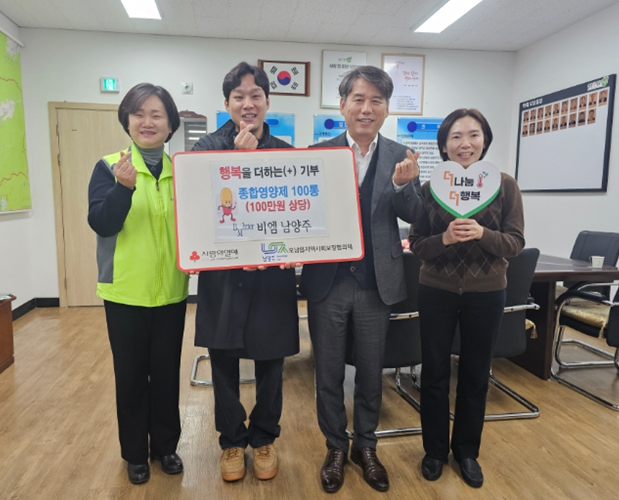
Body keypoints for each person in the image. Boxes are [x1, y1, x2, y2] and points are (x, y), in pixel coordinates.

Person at [300, 66, 423, 493]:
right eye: (358, 99)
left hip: (376, 283)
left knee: (371, 373)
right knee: (328, 372)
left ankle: (366, 446)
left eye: (376, 101)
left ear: (387, 108)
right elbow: (303, 212)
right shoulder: (319, 153)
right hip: (328, 281)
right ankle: (335, 446)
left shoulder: (402, 154)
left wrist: (404, 187)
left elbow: (415, 214)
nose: (366, 108)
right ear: (342, 105)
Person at [191, 62, 299, 483]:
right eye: (239, 96)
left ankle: (264, 436)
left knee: (272, 359)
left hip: (272, 274)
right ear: (227, 103)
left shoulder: (285, 152)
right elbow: (198, 209)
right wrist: (238, 161)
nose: (248, 103)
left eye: (256, 96)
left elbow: (294, 214)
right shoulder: (205, 148)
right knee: (222, 359)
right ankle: (232, 440)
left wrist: (292, 250)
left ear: (268, 102)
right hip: (224, 275)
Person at [409, 108, 524, 489]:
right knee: (434, 373)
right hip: (436, 290)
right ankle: (434, 450)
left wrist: (482, 234)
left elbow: (515, 243)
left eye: (473, 134)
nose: (465, 143)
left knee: (475, 375)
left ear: (485, 140)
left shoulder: (504, 185)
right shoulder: (431, 188)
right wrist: (444, 238)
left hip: (486, 292)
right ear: (443, 145)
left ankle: (467, 452)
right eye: (456, 136)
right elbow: (418, 244)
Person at [87, 83, 189, 485]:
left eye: (157, 114)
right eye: (139, 114)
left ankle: (165, 446)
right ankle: (134, 453)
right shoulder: (109, 167)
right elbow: (102, 223)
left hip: (171, 292)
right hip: (125, 292)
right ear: (127, 121)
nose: (148, 122)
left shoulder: (182, 170)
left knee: (165, 374)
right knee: (130, 377)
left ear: (171, 124)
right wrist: (123, 189)